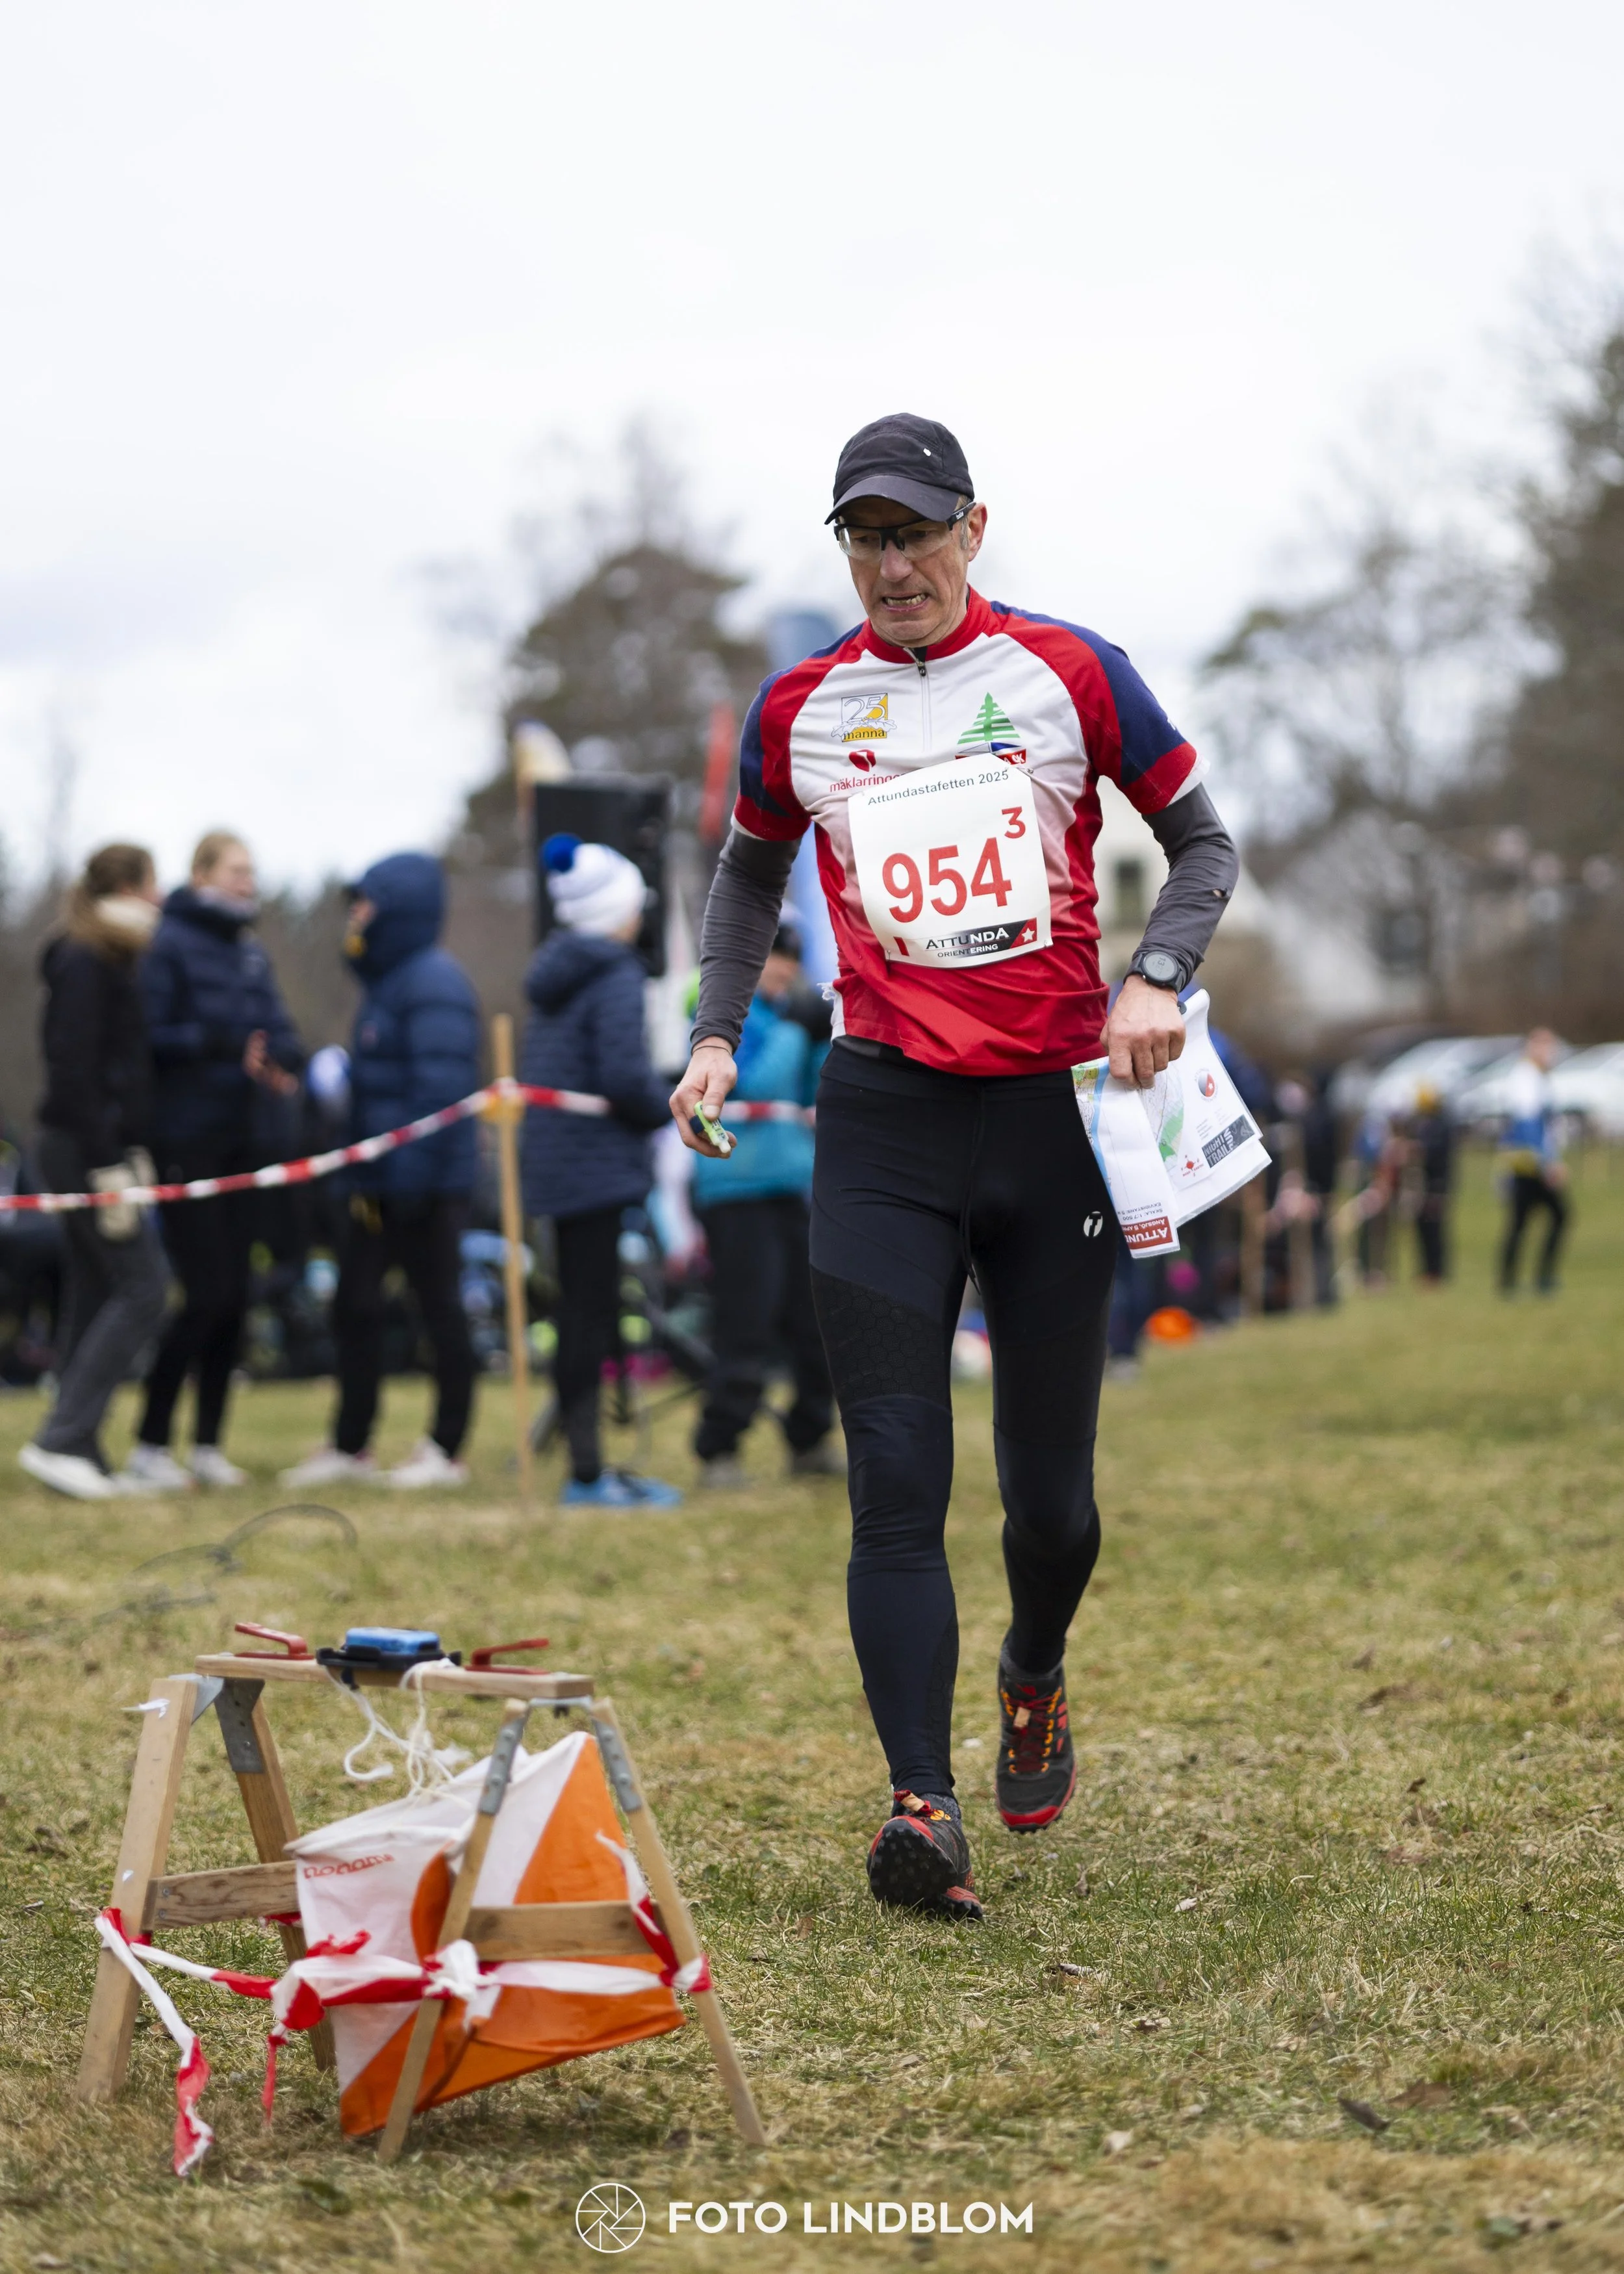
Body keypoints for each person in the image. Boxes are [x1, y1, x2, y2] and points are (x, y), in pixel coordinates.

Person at [670, 413, 1239, 1919]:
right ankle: (921, 1808)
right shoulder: (801, 705)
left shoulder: (1070, 672)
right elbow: (745, 867)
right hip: (884, 1123)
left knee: (1048, 1505)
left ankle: (1034, 1671)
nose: (894, 561)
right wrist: (717, 1030)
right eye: (865, 535)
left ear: (974, 531)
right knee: (895, 1478)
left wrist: (1159, 976)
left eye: (918, 531)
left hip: (1051, 1116)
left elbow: (1201, 844)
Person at [281, 854, 481, 1489]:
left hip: (424, 1184)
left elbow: (438, 1092)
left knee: (439, 1310)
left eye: (365, 903)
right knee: (355, 1309)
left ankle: (445, 1447)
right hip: (376, 1185)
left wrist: (414, 1180)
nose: (356, 916)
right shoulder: (387, 986)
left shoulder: (433, 983)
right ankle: (350, 1444)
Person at [125, 832, 303, 1490]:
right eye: (235, 870)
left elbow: (276, 1026)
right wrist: (224, 1045)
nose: (246, 881)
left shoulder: (250, 951)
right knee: (204, 1294)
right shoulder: (167, 943)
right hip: (188, 1138)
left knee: (237, 1299)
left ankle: (205, 1445)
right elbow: (152, 1037)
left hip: (248, 1138)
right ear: (201, 873)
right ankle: (149, 1443)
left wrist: (288, 1056)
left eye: (252, 870)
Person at [520, 836, 682, 1509]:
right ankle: (587, 1471)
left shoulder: (555, 971)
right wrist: (663, 1102)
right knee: (589, 1313)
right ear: (618, 910)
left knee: (577, 1309)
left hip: (558, 1161)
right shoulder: (613, 971)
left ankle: (586, 1461)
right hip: (596, 1164)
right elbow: (621, 1075)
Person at [18, 845, 171, 1501]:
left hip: (88, 1146)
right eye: (153, 883)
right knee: (144, 1285)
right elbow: (73, 1070)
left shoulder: (112, 956)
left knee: (96, 1286)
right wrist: (109, 1157)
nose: (161, 897)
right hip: (82, 1150)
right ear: (131, 887)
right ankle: (60, 1437)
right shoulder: (86, 960)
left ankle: (75, 1443)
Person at [690, 917, 839, 1487]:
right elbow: (748, 1086)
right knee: (745, 1323)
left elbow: (806, 1096)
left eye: (791, 962)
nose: (785, 972)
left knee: (813, 1321)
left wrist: (822, 1043)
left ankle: (810, 1437)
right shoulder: (723, 1024)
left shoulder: (783, 1018)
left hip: (791, 1186)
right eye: (775, 960)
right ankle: (719, 1447)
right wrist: (794, 1033)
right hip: (735, 1192)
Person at [1499, 1027, 1568, 1294]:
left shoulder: (1537, 1076)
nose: (1551, 1052)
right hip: (1528, 1162)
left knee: (1524, 1221)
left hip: (1531, 1161)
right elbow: (1527, 1124)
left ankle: (1514, 1280)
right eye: (1547, 1046)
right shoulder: (1526, 1077)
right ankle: (1535, 1279)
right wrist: (1548, 1162)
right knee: (1555, 1216)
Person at [1408, 1082, 1454, 1284]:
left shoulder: (1441, 1127)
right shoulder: (1419, 1126)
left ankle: (1437, 1272)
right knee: (1422, 1230)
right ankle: (1426, 1271)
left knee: (1435, 1230)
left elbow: (1436, 1155)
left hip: (1436, 1186)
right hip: (1422, 1187)